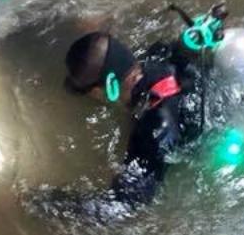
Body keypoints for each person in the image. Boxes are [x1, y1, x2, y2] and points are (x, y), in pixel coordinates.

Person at [51, 31, 204, 216]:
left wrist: (47, 204)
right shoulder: (158, 53)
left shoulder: (152, 131)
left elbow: (124, 206)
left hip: (211, 136)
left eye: (88, 92)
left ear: (100, 91)